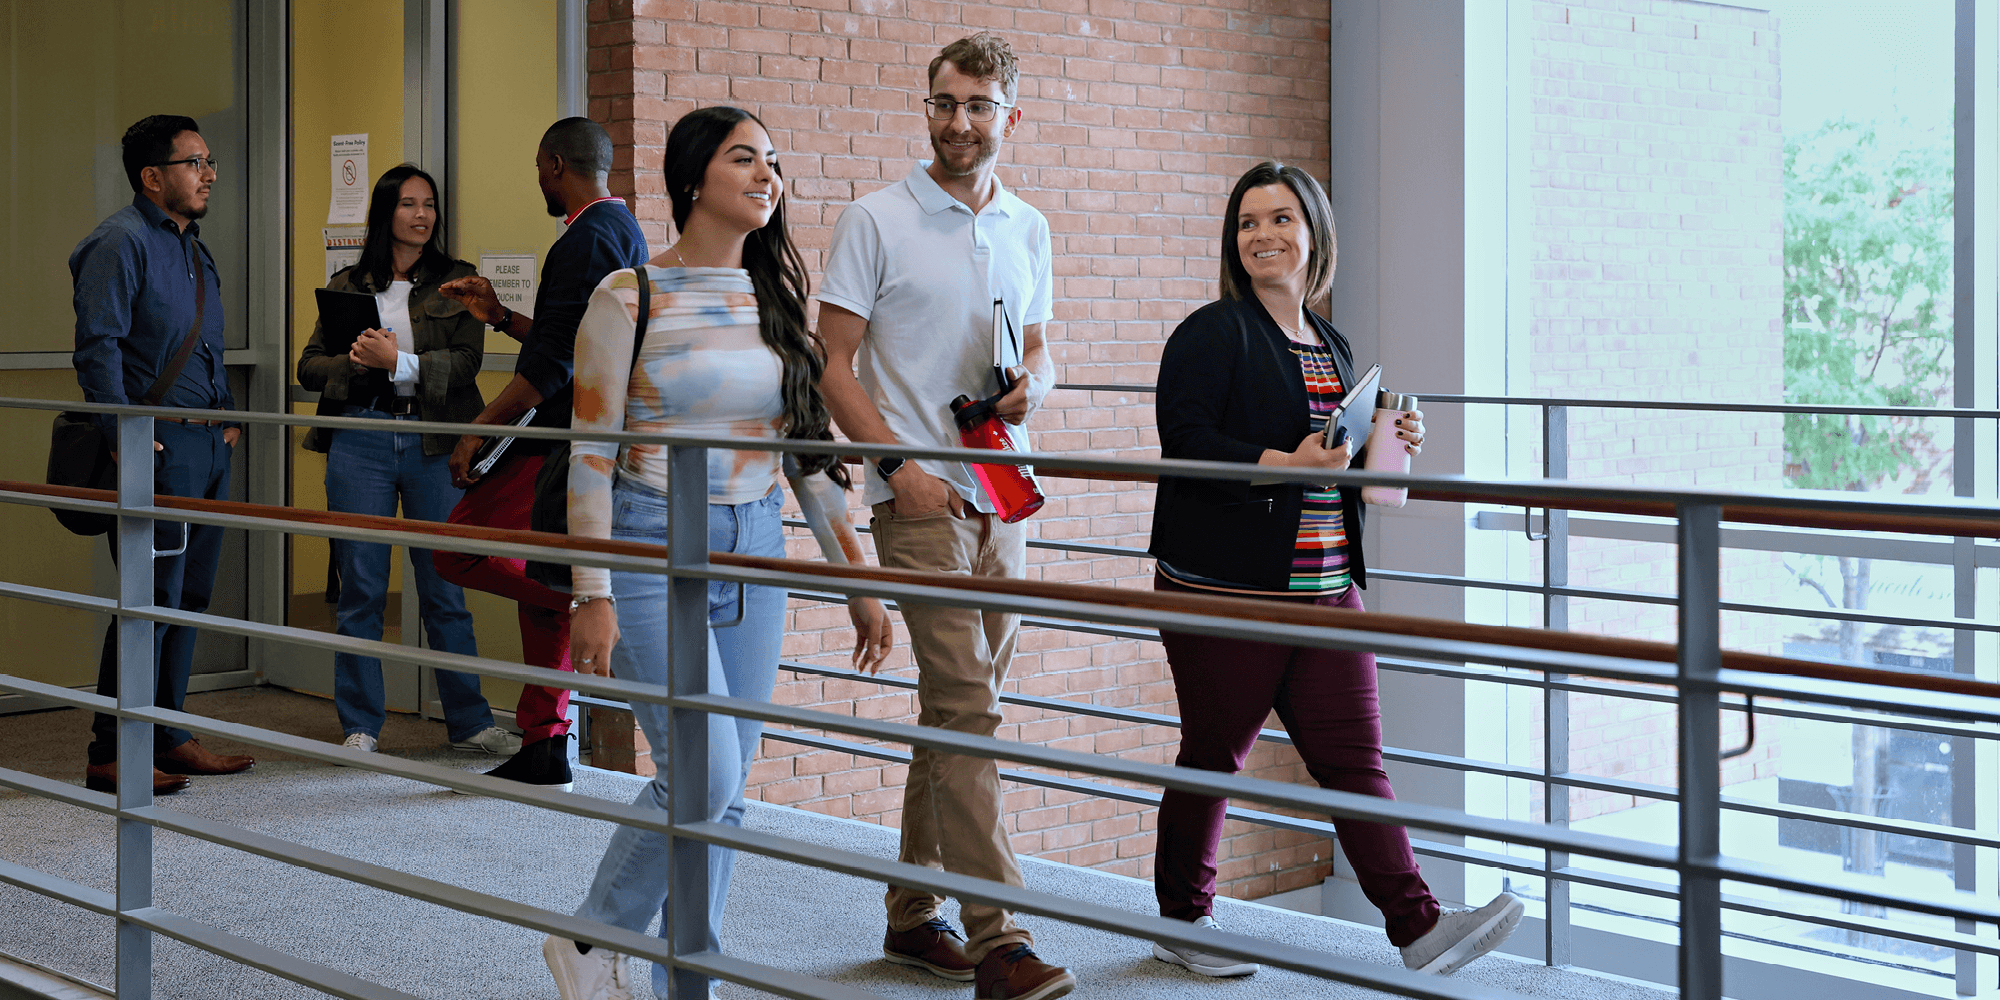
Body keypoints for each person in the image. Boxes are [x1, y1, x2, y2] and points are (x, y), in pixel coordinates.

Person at [539, 105, 894, 1000]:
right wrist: (591, 591)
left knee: (727, 791)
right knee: (703, 773)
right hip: (650, 538)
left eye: (774, 160)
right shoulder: (630, 296)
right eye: (746, 158)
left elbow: (807, 461)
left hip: (754, 543)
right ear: (694, 177)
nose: (767, 174)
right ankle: (590, 940)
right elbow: (588, 450)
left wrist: (859, 585)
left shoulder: (775, 305)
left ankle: (683, 974)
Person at [1145, 160, 1520, 978]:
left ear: (1314, 233)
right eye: (1248, 223)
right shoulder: (1211, 334)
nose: (1263, 237)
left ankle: (1417, 926)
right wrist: (1285, 460)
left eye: (1281, 220)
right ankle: (1184, 921)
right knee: (1213, 754)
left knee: (1356, 762)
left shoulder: (1333, 342)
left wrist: (1392, 447)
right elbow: (1188, 442)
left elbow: (1343, 468)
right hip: (1227, 586)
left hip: (1326, 584)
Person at [818, 32, 1073, 1000]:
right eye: (942, 103)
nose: (958, 123)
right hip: (918, 498)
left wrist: (1031, 391)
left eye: (977, 106)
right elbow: (831, 362)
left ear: (1011, 116)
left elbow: (1042, 348)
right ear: (926, 109)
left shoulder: (1027, 225)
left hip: (1004, 495)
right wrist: (894, 467)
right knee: (972, 709)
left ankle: (909, 913)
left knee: (953, 713)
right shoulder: (875, 218)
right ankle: (999, 937)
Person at [432, 118, 648, 790]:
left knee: (457, 548)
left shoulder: (585, 238)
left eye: (537, 167)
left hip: (559, 441)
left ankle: (588, 593)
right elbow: (571, 341)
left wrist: (479, 428)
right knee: (537, 596)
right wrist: (500, 317)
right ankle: (545, 744)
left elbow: (552, 367)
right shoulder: (620, 229)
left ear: (555, 163)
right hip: (575, 433)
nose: (537, 180)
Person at [297, 164, 519, 759]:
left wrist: (400, 363)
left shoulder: (457, 282)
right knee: (362, 588)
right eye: (408, 204)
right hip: (361, 438)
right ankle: (361, 726)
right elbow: (308, 365)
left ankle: (469, 721)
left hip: (435, 442)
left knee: (447, 585)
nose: (422, 215)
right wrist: (358, 365)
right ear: (385, 212)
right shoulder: (350, 282)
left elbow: (469, 362)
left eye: (429, 205)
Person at [71, 115, 254, 796]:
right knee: (149, 599)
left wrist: (228, 417)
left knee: (190, 597)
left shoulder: (192, 249)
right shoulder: (118, 244)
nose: (208, 174)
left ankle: (167, 735)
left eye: (209, 161)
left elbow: (204, 345)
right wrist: (125, 433)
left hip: (205, 443)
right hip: (155, 444)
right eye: (194, 162)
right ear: (153, 177)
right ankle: (113, 751)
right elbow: (99, 347)